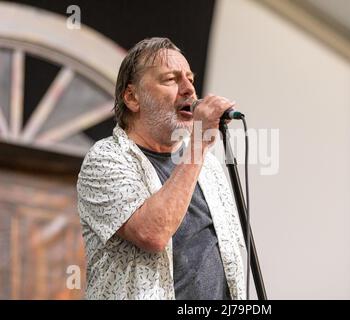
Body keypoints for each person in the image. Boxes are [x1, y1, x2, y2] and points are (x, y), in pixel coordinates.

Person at [77, 37, 246, 300]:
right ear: (133, 98)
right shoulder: (106, 158)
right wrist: (199, 144)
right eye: (171, 79)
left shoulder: (208, 166)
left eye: (190, 78)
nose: (189, 89)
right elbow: (152, 233)